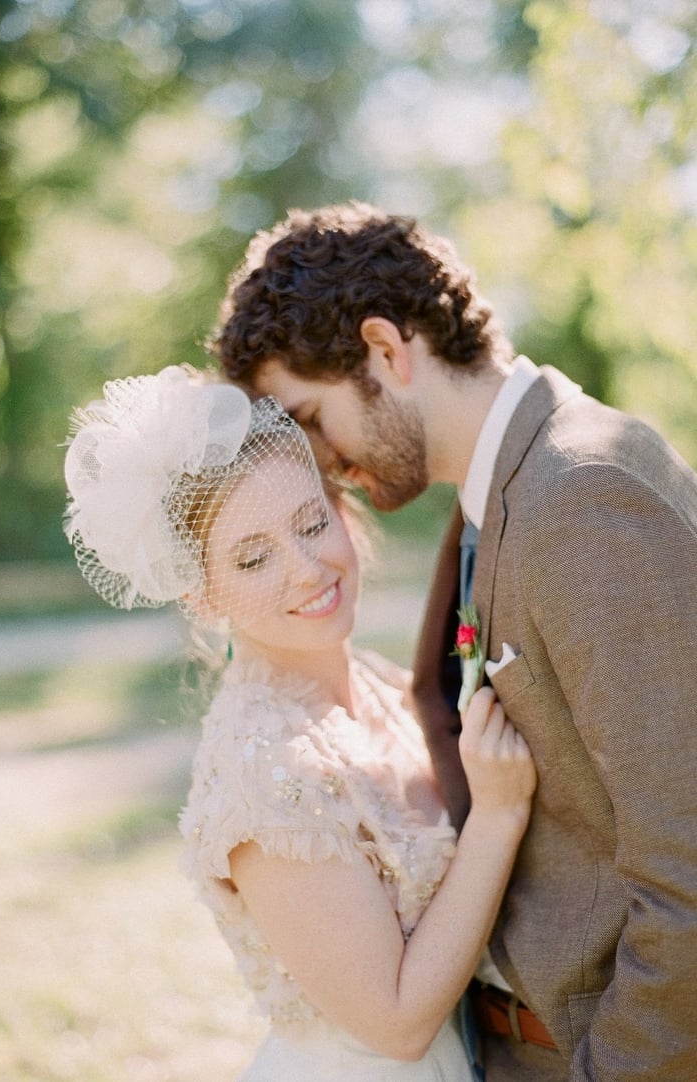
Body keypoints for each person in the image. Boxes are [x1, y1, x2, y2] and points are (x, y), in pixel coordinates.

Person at [210, 201, 697, 1081]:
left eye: (310, 418)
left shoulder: (582, 495)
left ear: (388, 352)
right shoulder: (496, 493)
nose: (318, 465)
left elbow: (688, 865)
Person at [62, 362, 536, 1082]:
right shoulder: (266, 775)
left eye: (312, 522)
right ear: (201, 596)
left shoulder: (377, 682)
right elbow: (400, 1022)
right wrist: (499, 816)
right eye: (253, 559)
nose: (308, 569)